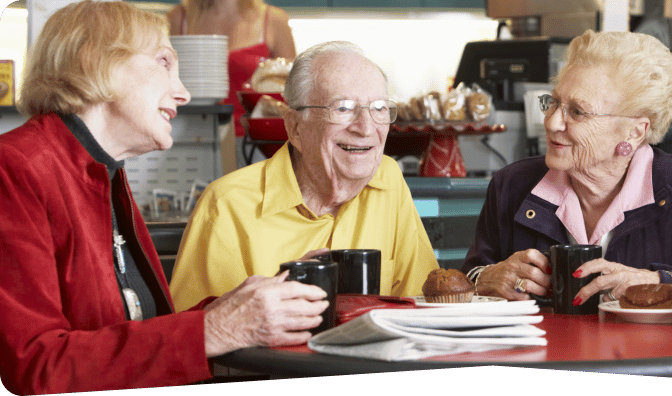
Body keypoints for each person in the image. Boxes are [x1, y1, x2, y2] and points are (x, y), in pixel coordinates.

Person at [0, 2, 328, 394]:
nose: (184, 93)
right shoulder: (14, 168)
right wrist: (213, 330)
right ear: (98, 61)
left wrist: (237, 308)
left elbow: (129, 334)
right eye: (164, 62)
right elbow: (37, 367)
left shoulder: (106, 171)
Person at [461, 30, 672, 305]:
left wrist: (659, 283)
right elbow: (466, 280)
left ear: (634, 132)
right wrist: (485, 279)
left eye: (578, 111)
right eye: (553, 102)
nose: (552, 122)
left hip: (650, 349)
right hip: (543, 348)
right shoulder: (511, 185)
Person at [169, 41, 439, 311]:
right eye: (343, 108)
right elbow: (197, 333)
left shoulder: (388, 179)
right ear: (295, 127)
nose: (366, 129)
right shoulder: (227, 204)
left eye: (379, 108)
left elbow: (422, 306)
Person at [167, 0, 296, 136]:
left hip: (254, 141)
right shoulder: (178, 18)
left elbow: (292, 90)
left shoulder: (273, 19)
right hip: (193, 137)